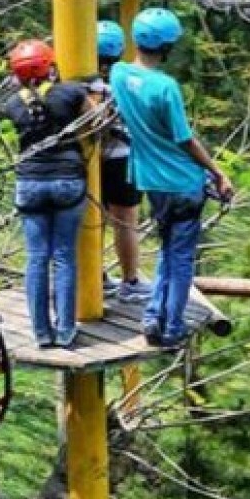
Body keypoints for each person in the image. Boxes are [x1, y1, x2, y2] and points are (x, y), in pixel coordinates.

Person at [111, 8, 234, 348]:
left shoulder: (119, 74)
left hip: (152, 183)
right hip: (182, 182)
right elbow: (185, 139)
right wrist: (216, 171)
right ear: (166, 46)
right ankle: (171, 326)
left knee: (167, 248)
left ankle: (153, 316)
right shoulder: (166, 88)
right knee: (180, 259)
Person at [0, 40, 90, 347]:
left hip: (30, 183)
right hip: (67, 180)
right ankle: (65, 330)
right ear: (49, 66)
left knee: (36, 258)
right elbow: (95, 124)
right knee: (64, 256)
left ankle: (41, 333)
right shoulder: (73, 93)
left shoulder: (11, 104)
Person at [92, 21, 148, 306]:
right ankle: (130, 281)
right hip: (123, 159)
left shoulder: (79, 84)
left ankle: (96, 276)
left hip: (89, 162)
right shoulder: (128, 82)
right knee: (125, 221)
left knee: (95, 219)